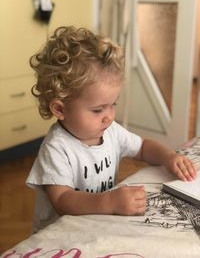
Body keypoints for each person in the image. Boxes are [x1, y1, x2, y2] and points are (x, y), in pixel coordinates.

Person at [26, 26, 196, 233]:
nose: (109, 116)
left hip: (96, 224)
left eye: (113, 104)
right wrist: (109, 201)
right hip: (59, 235)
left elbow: (142, 147)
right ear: (60, 109)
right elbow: (62, 199)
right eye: (98, 110)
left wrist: (168, 157)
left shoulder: (110, 130)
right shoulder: (56, 148)